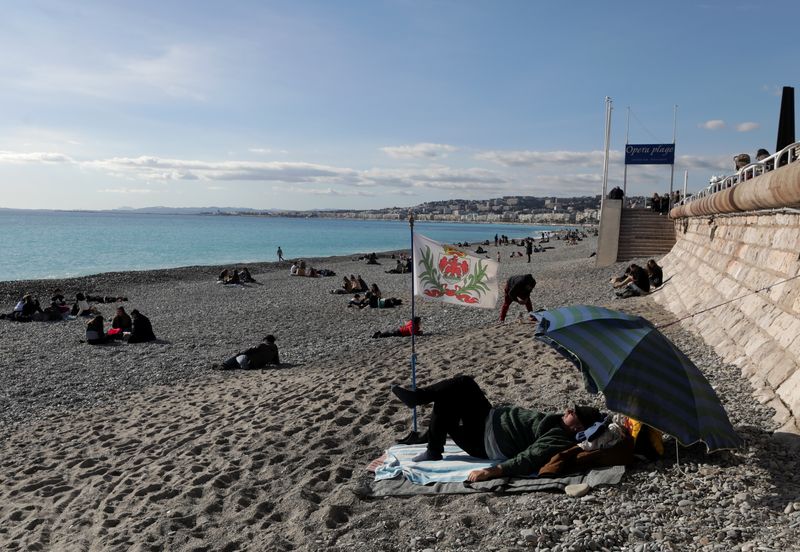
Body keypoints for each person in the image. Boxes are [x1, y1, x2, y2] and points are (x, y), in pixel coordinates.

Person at [390, 375, 604, 480]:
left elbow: (529, 458)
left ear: (577, 428)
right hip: (488, 418)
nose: (567, 411)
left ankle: (422, 412)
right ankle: (432, 446)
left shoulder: (557, 439)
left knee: (453, 396)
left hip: (484, 441)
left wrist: (491, 471)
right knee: (462, 386)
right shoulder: (558, 423)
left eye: (572, 413)